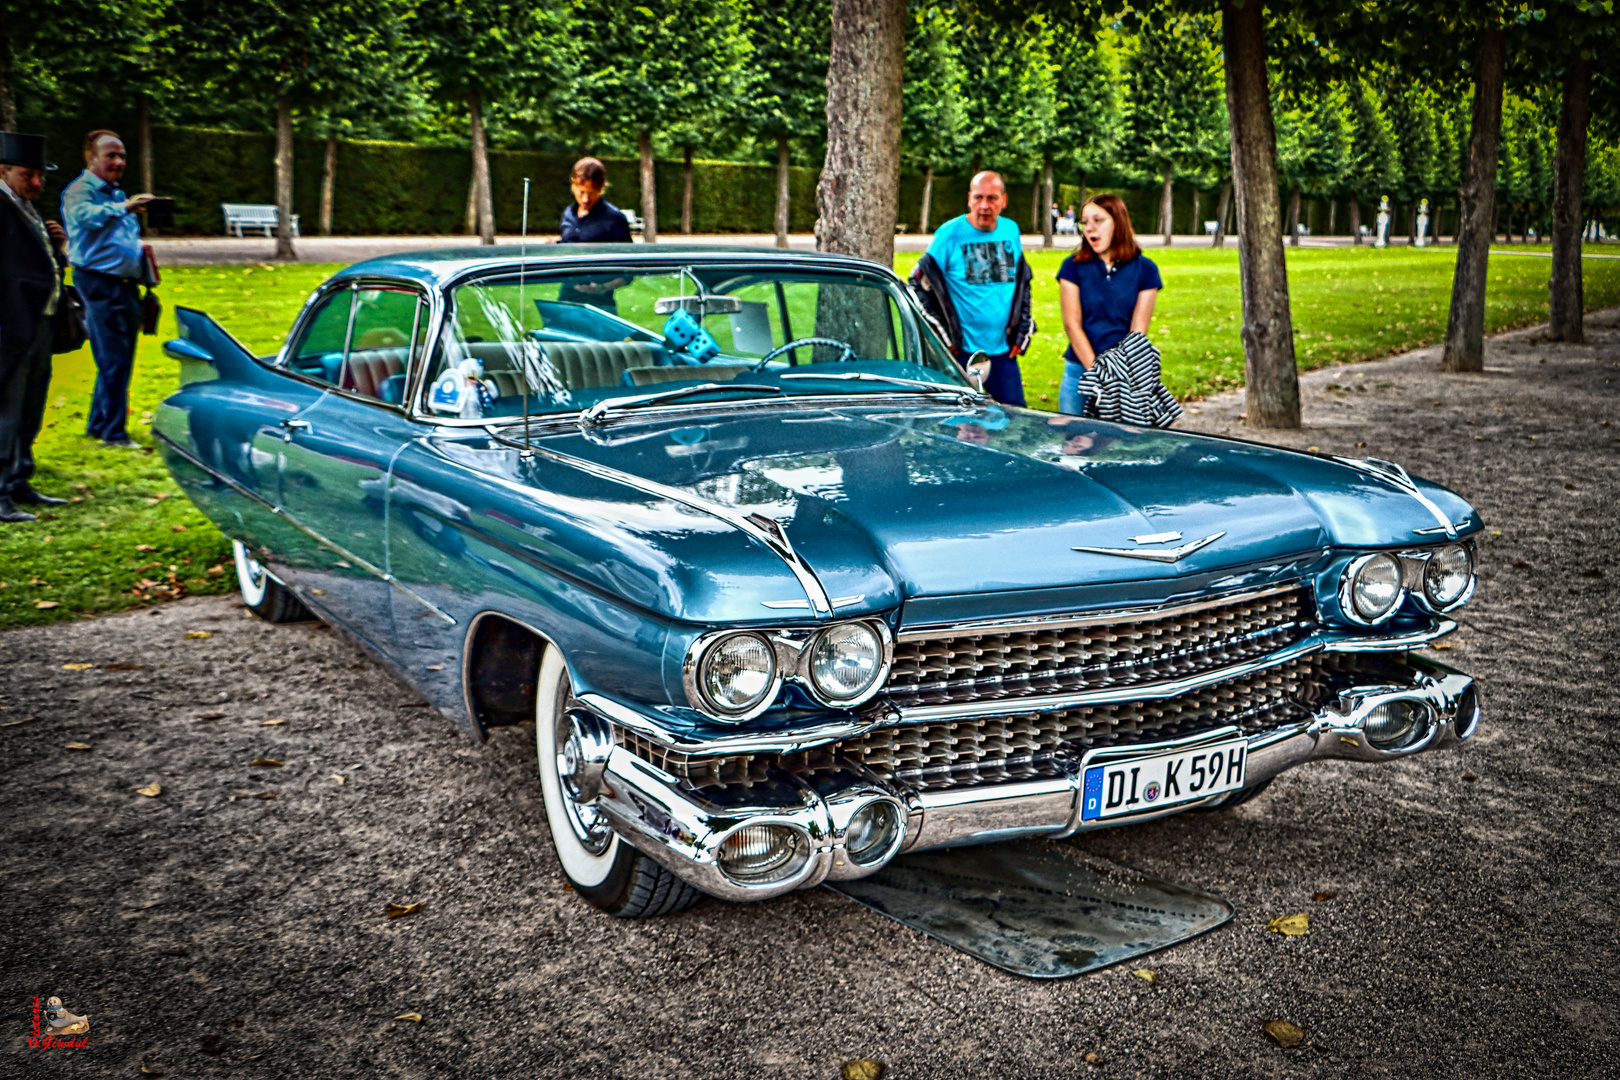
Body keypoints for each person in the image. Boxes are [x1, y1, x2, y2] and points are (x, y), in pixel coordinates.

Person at [908, 171, 1034, 406]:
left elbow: (1022, 283)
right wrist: (944, 338)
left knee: (1015, 421)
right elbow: (918, 285)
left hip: (1003, 352)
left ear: (1003, 201)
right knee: (960, 426)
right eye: (978, 198)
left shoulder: (1011, 230)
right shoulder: (949, 234)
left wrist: (1023, 326)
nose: (984, 205)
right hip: (959, 353)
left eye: (992, 198)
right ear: (969, 199)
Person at [61, 130, 152, 448]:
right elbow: (83, 218)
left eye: (122, 156)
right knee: (113, 358)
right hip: (99, 282)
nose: (118, 162)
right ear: (91, 157)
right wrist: (125, 208)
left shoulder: (115, 193)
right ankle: (114, 433)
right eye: (111, 155)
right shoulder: (80, 190)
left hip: (124, 285)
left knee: (119, 357)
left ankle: (99, 425)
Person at [0, 133, 71, 523]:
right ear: (3, 171)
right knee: (7, 410)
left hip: (40, 322)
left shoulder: (26, 209)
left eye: (41, 176)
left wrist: (57, 250)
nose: (38, 183)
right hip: (12, 326)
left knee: (30, 406)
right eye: (29, 175)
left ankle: (19, 478)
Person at [1057, 193, 1163, 417]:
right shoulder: (1072, 267)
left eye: (1098, 220)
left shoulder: (1146, 270)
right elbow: (1072, 325)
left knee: (1119, 447)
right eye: (1085, 222)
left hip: (1124, 375)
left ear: (1118, 222)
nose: (1089, 228)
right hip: (1079, 372)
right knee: (1074, 445)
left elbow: (1138, 332)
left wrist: (1116, 379)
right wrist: (1097, 374)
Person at [556, 157, 631, 312]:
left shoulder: (614, 219)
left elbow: (629, 270)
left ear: (602, 188)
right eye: (581, 191)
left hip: (600, 305)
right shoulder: (568, 214)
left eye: (592, 193)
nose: (585, 199)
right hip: (566, 300)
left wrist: (602, 288)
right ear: (572, 184)